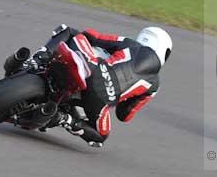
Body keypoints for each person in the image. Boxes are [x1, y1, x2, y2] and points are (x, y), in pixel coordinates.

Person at [28, 24, 172, 147]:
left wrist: (89, 41)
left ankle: (37, 59)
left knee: (69, 31)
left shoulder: (131, 44)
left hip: (93, 69)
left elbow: (94, 36)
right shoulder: (154, 85)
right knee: (100, 136)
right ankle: (63, 118)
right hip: (102, 100)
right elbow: (124, 115)